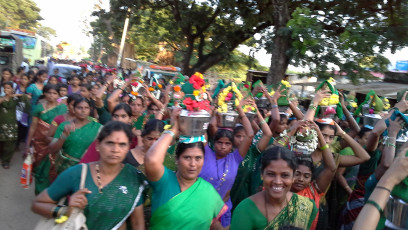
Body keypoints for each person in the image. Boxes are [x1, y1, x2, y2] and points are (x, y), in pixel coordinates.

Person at [32, 121, 146, 230]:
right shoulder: (77, 173)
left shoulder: (133, 178)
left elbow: (137, 222)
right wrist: (65, 211)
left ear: (128, 148)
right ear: (97, 145)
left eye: (122, 145)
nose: (115, 150)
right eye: (109, 143)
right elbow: (37, 204)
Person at [144, 108, 226, 230]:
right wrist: (175, 129)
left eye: (198, 158)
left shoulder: (208, 191)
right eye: (187, 158)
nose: (193, 164)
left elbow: (213, 224)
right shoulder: (165, 181)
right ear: (177, 159)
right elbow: (151, 160)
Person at [230, 146, 318, 230]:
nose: (278, 181)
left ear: (293, 177)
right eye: (271, 174)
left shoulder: (306, 207)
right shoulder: (245, 210)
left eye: (285, 175)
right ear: (262, 174)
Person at [200, 99, 254, 227]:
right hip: (200, 207)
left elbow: (250, 134)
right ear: (214, 143)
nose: (223, 147)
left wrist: (240, 109)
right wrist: (214, 108)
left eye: (227, 143)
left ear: (232, 145)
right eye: (219, 142)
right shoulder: (206, 152)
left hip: (222, 210)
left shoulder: (235, 158)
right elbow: (205, 128)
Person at [25, 84, 67, 194]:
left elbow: (64, 127)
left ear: (58, 95)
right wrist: (27, 145)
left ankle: (49, 192)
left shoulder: (63, 108)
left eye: (54, 93)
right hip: (39, 143)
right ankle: (39, 191)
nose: (51, 95)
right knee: (39, 169)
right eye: (49, 93)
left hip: (54, 143)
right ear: (44, 93)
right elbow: (34, 126)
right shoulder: (39, 107)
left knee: (51, 168)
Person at [353, 148, 408, 230]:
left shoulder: (382, 186)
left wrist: (388, 181)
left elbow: (386, 164)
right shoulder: (374, 183)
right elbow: (385, 164)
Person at [48, 97, 102, 176]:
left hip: (87, 168)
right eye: (79, 108)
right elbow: (52, 149)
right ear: (73, 109)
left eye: (86, 108)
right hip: (65, 167)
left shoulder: (98, 127)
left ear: (90, 109)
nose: (83, 110)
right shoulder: (64, 125)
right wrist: (64, 135)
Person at [0, 82, 29, 168]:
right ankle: (2, 156)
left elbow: (26, 100)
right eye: (4, 88)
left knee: (10, 143)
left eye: (8, 88)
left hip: (11, 124)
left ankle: (6, 160)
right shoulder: (1, 98)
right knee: (1, 142)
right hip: (1, 124)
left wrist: (17, 95)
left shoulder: (16, 98)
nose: (6, 90)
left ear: (12, 89)